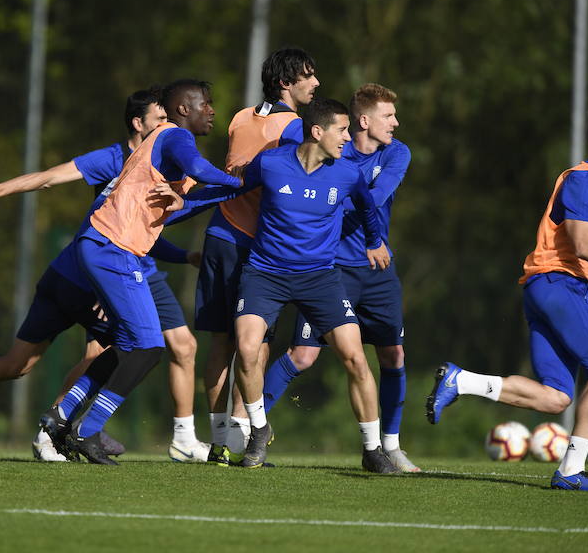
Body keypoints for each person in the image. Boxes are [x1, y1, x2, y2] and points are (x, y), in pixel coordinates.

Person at [0, 88, 210, 462]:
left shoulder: (175, 154)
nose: (166, 127)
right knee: (120, 350)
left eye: (168, 120)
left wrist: (186, 249)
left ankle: (183, 438)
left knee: (182, 347)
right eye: (159, 120)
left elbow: (165, 219)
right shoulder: (113, 158)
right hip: (112, 260)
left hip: (145, 266)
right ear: (139, 124)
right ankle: (69, 425)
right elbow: (49, 177)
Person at [166, 97, 393, 469]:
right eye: (341, 130)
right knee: (247, 346)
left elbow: (368, 209)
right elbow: (230, 190)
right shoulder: (271, 164)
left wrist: (374, 241)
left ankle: (372, 450)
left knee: (354, 356)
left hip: (320, 277)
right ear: (317, 132)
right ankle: (258, 431)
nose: (348, 139)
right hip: (265, 274)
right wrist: (182, 206)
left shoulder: (347, 173)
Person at [427, 102, 588, 492]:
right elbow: (581, 245)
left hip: (551, 289)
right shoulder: (583, 180)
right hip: (558, 284)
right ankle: (570, 471)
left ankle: (462, 382)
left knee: (556, 398)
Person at [38, 79, 241, 465]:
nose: (212, 110)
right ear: (184, 108)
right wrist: (239, 180)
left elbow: (183, 208)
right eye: (206, 103)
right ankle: (87, 430)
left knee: (131, 346)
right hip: (112, 248)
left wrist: (234, 191)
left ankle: (61, 418)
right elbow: (199, 167)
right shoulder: (175, 136)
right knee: (148, 348)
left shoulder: (166, 146)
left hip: (109, 248)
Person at [262, 83, 419, 472]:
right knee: (303, 356)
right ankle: (248, 429)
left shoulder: (397, 152)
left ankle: (390, 446)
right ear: (364, 120)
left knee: (393, 353)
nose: (396, 123)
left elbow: (376, 196)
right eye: (388, 116)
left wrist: (329, 198)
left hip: (378, 268)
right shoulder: (335, 147)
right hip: (330, 268)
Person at [195, 47, 318, 465]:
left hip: (219, 233)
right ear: (286, 82)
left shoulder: (238, 117)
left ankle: (219, 439)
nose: (315, 84)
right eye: (308, 76)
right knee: (257, 344)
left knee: (221, 343)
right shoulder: (298, 128)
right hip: (259, 246)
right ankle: (244, 429)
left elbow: (231, 175)